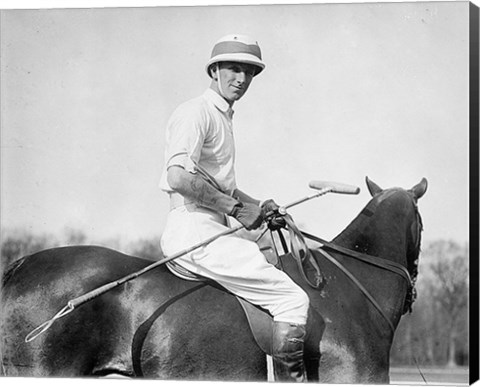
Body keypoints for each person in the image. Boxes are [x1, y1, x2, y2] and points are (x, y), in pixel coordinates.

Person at [159, 34, 310, 382]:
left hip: (212, 226)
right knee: (292, 300)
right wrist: (237, 209)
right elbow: (179, 177)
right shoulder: (195, 112)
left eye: (249, 72)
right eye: (234, 69)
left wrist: (258, 206)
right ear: (214, 70)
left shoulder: (223, 117)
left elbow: (220, 186)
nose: (241, 79)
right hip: (193, 229)